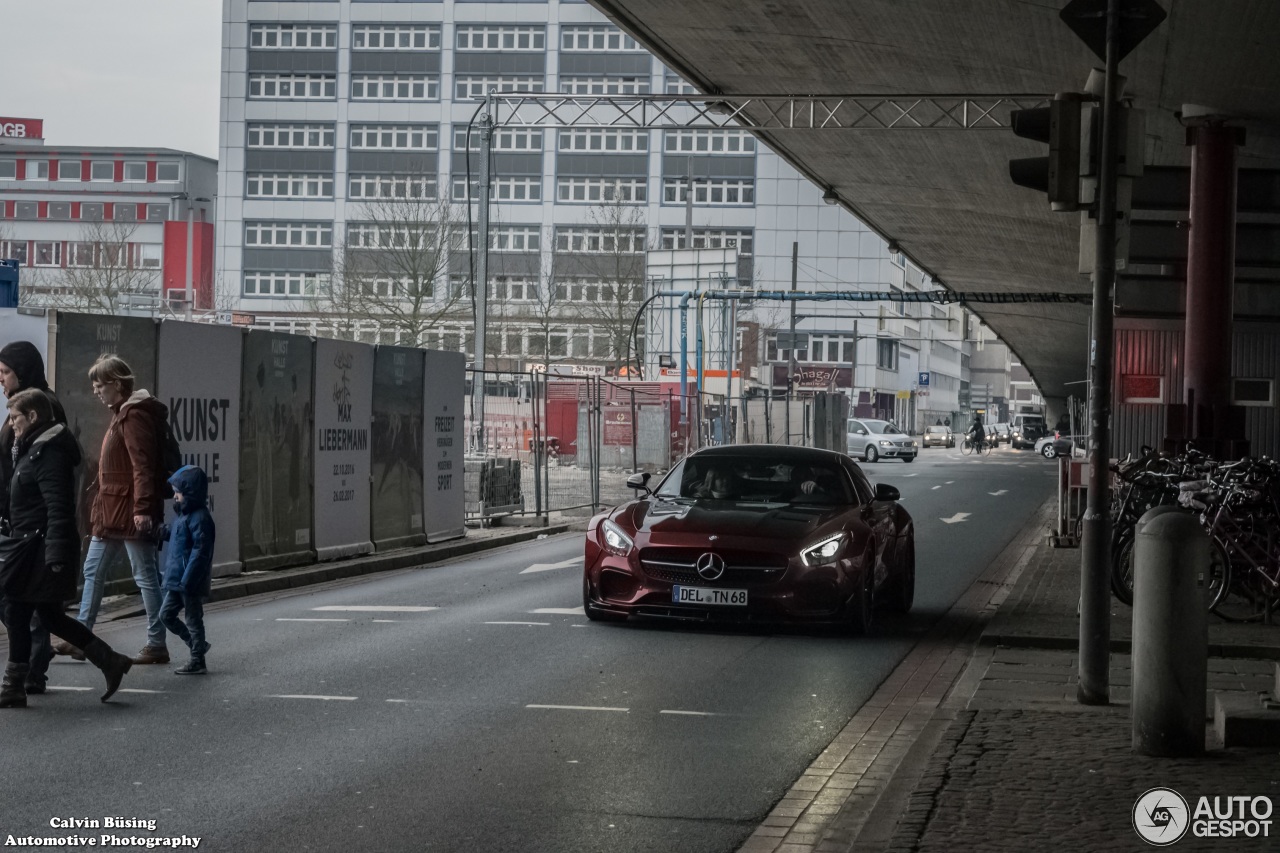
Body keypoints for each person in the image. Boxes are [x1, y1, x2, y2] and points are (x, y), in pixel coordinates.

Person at [0, 389, 133, 707]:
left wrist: (56, 556)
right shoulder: (36, 448)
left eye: (15, 417)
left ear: (32, 417)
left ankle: (13, 686)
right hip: (33, 545)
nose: (12, 424)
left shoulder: (49, 453)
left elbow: (58, 506)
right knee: (47, 616)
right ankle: (110, 660)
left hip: (40, 548)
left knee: (16, 609)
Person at [53, 354, 170, 665]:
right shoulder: (126, 412)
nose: (96, 391)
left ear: (116, 384)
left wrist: (143, 508)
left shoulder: (133, 416)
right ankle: (82, 638)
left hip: (127, 510)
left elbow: (142, 466)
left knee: (143, 574)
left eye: (99, 385)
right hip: (116, 510)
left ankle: (156, 642)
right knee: (98, 570)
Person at [0, 342, 66, 695]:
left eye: (5, 372)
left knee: (26, 603)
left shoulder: (41, 407)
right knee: (32, 606)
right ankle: (106, 659)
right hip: (20, 524)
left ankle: (30, 671)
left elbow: (46, 480)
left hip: (34, 530)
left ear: (21, 372)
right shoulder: (21, 407)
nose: (1, 379)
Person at [159, 465, 214, 675]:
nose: (174, 496)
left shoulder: (199, 518)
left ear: (189, 492)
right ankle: (196, 645)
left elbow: (201, 551)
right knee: (166, 615)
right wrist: (155, 531)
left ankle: (198, 659)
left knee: (193, 619)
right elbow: (172, 535)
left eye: (177, 492)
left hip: (188, 581)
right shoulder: (183, 516)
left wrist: (189, 579)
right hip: (177, 579)